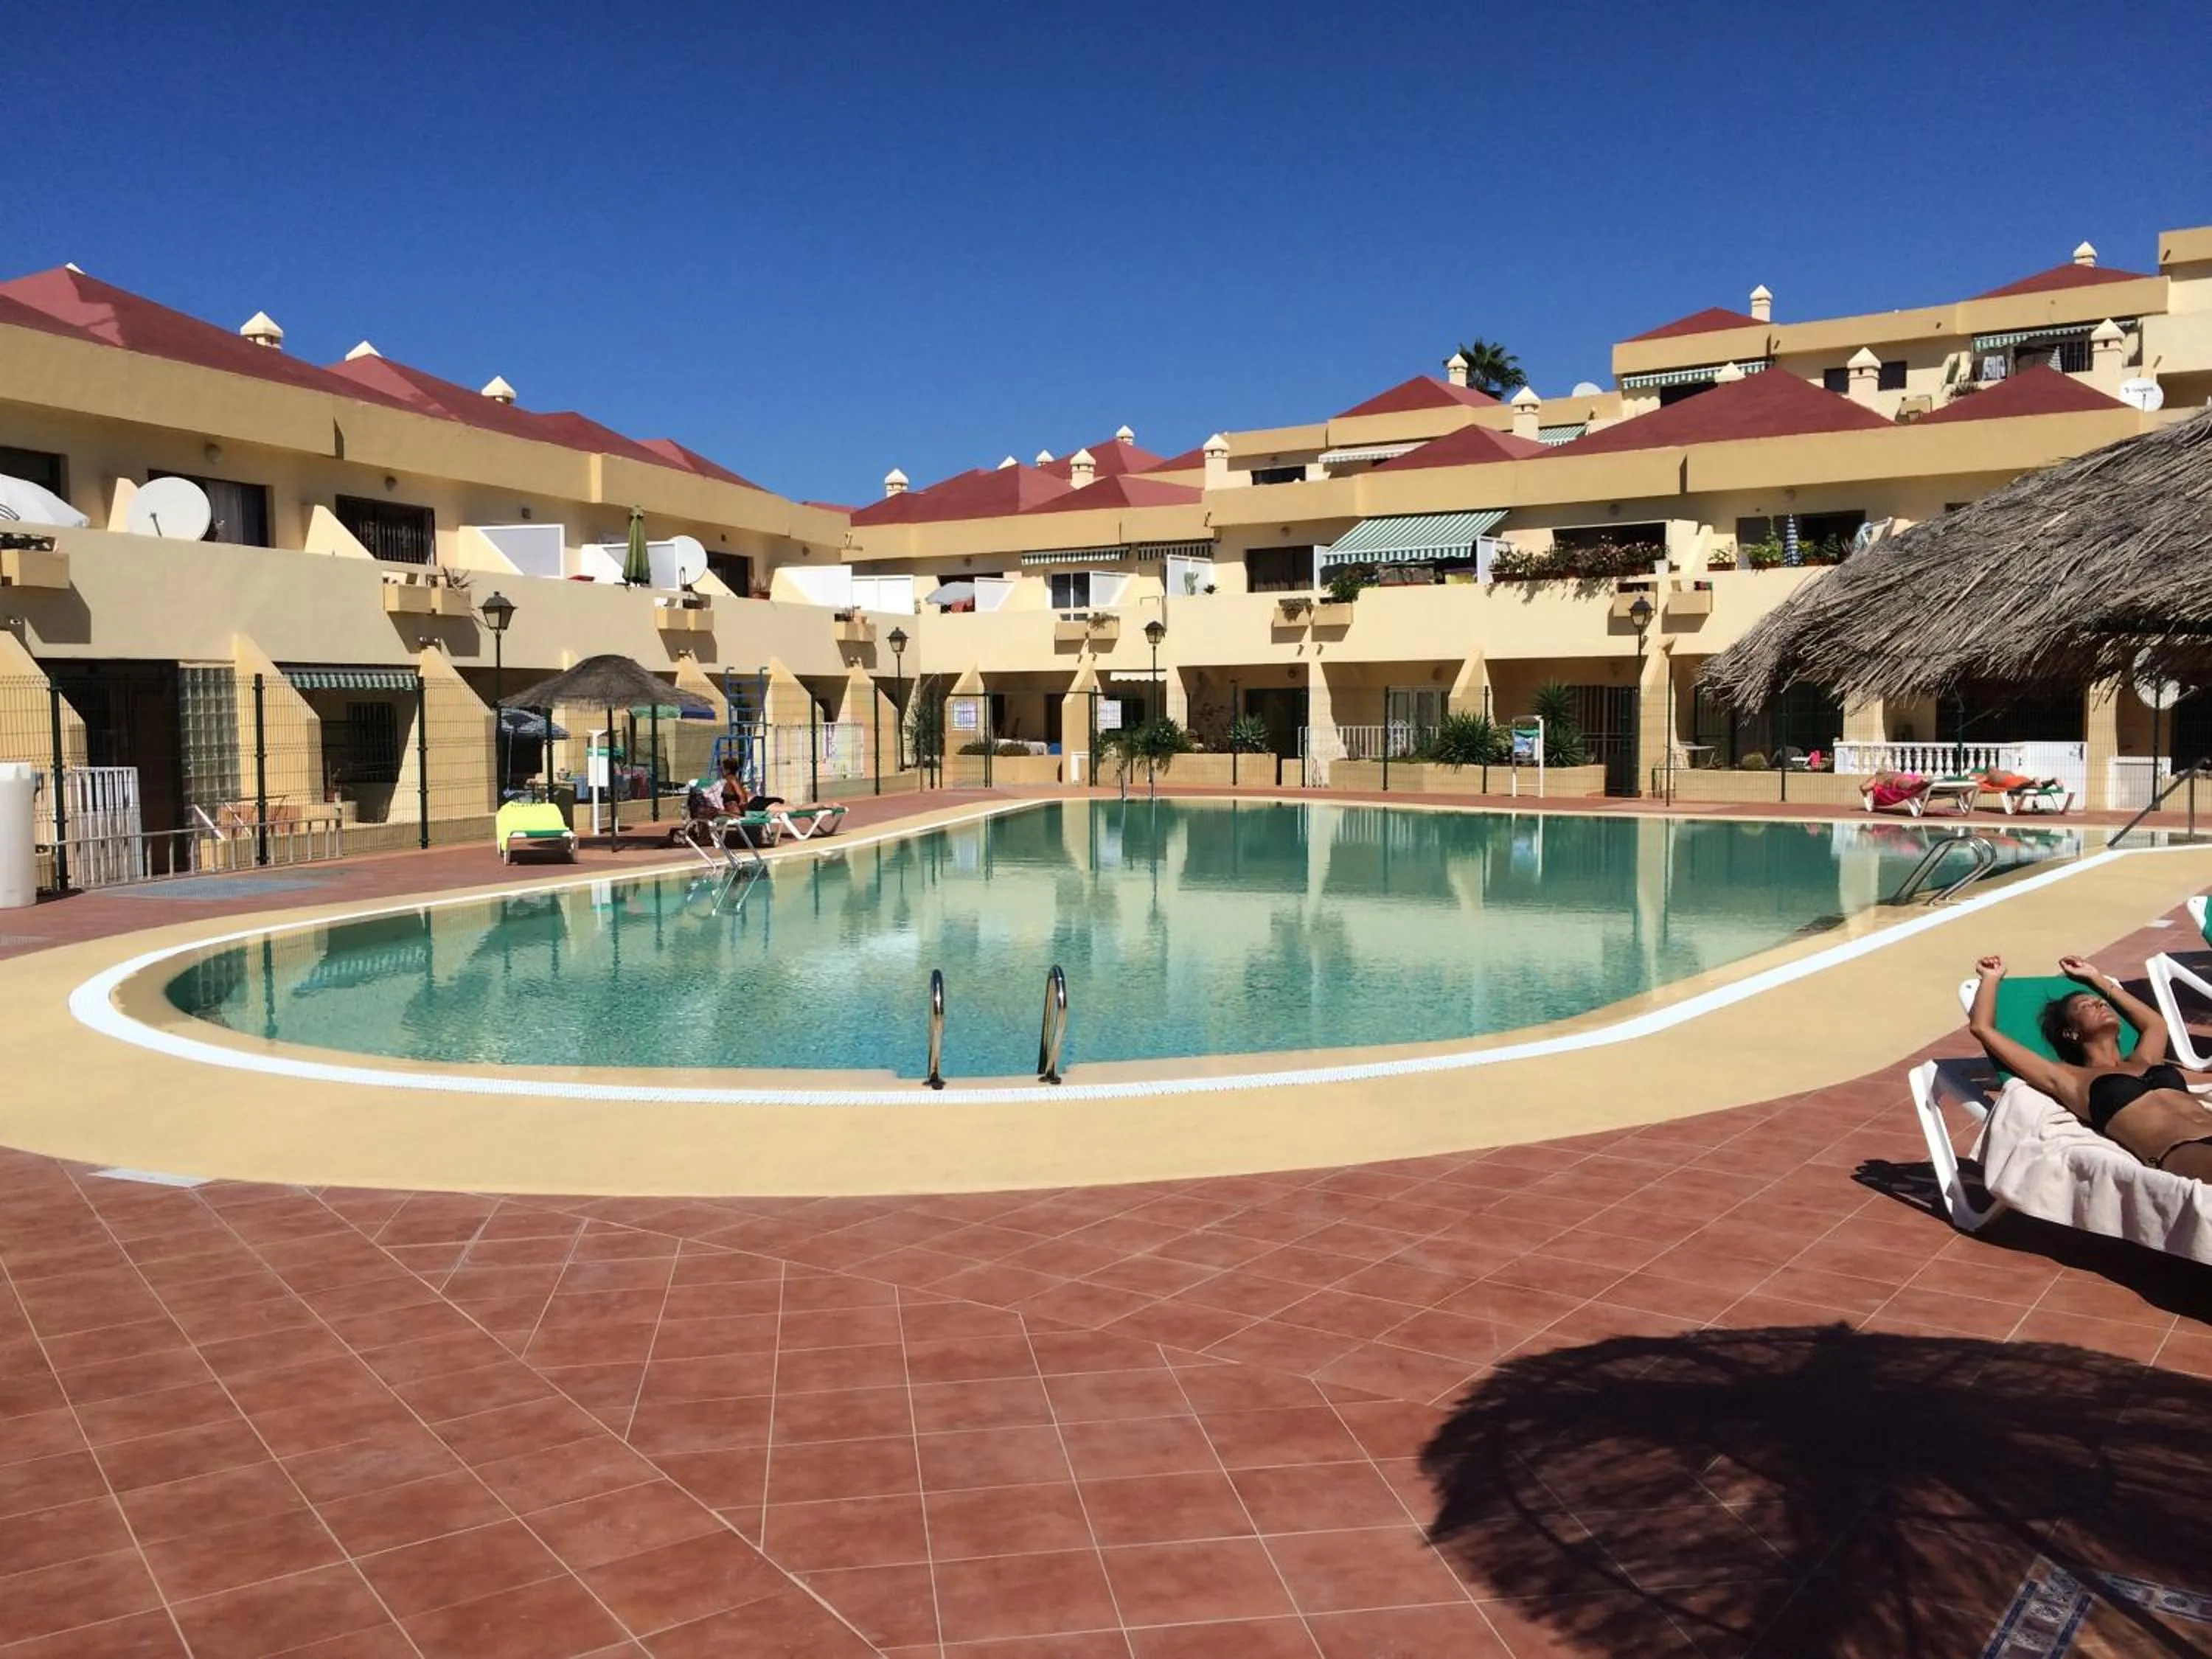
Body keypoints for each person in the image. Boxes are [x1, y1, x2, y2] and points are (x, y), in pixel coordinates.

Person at [1967, 953, 2212, 1180]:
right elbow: (1982, 1028)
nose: (2101, 1006)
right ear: (2071, 1033)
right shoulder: (2069, 1077)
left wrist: (2096, 978)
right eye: (2087, 1006)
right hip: (2181, 1151)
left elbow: (2155, 1024)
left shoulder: (2145, 1060)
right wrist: (1990, 979)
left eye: (2102, 1003)